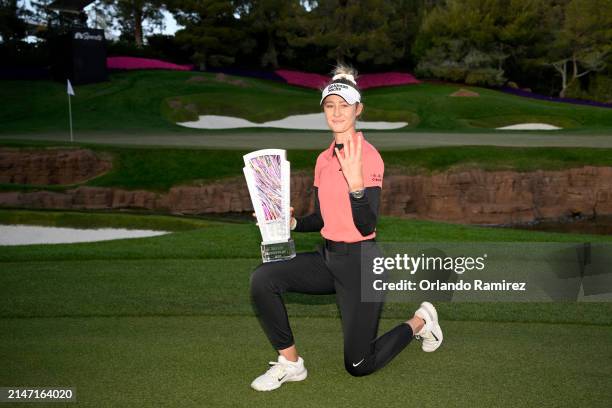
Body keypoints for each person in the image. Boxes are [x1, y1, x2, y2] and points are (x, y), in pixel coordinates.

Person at [249, 64, 443, 392]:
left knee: (358, 364)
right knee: (263, 279)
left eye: (344, 105)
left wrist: (356, 187)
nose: (337, 112)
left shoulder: (369, 157)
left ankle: (420, 321)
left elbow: (367, 223)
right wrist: (293, 223)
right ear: (324, 109)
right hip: (328, 258)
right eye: (330, 105)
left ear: (358, 109)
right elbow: (323, 218)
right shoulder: (323, 160)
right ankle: (291, 363)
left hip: (362, 266)